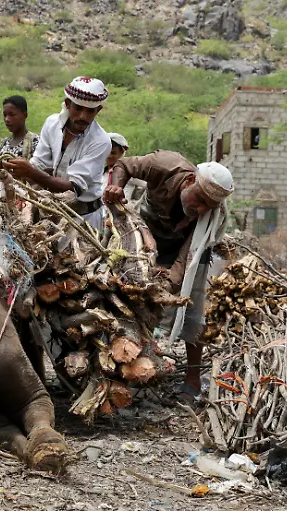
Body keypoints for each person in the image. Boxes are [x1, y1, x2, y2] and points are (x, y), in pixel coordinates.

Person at [103, 150, 234, 404]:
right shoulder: (165, 165)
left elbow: (186, 260)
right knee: (132, 302)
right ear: (188, 182)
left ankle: (193, 381)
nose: (201, 208)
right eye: (200, 200)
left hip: (192, 247)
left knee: (192, 309)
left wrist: (168, 283)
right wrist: (116, 187)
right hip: (148, 232)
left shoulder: (207, 218)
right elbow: (123, 164)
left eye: (209, 205)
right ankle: (132, 370)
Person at [3, 77, 111, 231]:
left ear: (98, 110)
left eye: (90, 111)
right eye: (78, 108)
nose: (83, 116)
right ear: (68, 104)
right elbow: (40, 165)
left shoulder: (101, 141)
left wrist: (31, 171)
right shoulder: (52, 124)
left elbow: (73, 188)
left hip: (82, 220)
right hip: (52, 212)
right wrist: (16, 171)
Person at [0, 95, 40, 164]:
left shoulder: (35, 142)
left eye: (12, 115)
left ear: (25, 115)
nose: (7, 119)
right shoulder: (4, 144)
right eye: (5, 115)